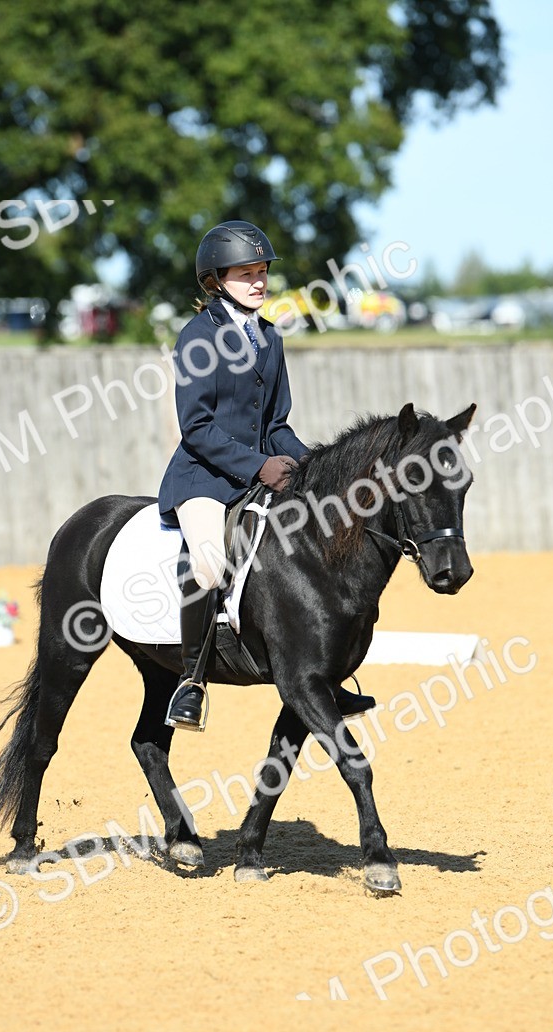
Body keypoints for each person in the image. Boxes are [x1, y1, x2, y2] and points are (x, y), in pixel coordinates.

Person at [158, 220, 373, 731]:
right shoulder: (197, 337)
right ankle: (191, 681)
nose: (258, 282)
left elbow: (275, 424)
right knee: (209, 565)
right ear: (215, 280)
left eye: (262, 272)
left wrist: (316, 468)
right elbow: (197, 428)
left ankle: (322, 671)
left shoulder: (270, 338)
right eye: (245, 273)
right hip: (205, 479)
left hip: (262, 476)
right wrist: (258, 464)